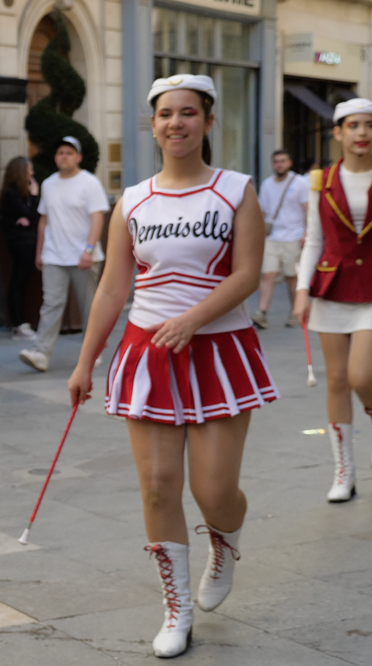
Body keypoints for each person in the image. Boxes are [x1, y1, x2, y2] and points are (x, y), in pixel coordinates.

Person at [69, 75, 276, 658]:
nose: (176, 123)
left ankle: (225, 540)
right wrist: (85, 363)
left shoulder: (236, 191)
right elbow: (113, 288)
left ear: (208, 122)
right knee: (159, 488)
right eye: (165, 113)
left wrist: (193, 319)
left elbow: (247, 273)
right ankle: (177, 608)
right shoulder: (133, 200)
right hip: (148, 353)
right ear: (153, 125)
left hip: (220, 351)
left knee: (214, 491)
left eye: (188, 113)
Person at [293, 98, 372, 503]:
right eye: (353, 125)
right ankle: (345, 471)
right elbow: (314, 239)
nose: (363, 132)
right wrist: (301, 289)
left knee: (362, 376)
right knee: (338, 380)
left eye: (369, 125)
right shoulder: (320, 181)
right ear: (338, 133)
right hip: (332, 287)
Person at [20, 136, 111, 372]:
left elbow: (97, 219)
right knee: (51, 303)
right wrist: (40, 252)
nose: (64, 157)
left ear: (78, 157)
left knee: (89, 306)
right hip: (54, 255)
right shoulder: (49, 184)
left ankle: (93, 351)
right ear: (55, 157)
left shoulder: (89, 183)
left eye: (69, 153)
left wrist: (89, 250)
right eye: (60, 153)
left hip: (83, 256)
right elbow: (44, 220)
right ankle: (41, 353)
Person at [254, 149, 309, 329]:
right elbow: (262, 212)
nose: (279, 165)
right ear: (272, 164)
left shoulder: (300, 183)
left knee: (291, 277)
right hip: (272, 237)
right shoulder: (267, 184)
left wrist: (306, 234)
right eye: (276, 161)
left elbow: (307, 210)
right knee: (267, 274)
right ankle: (261, 313)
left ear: (289, 163)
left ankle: (294, 311)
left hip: (293, 237)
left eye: (283, 161)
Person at [0, 156, 41, 340]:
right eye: (29, 170)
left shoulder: (18, 194)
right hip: (21, 243)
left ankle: (19, 324)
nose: (32, 173)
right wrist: (35, 196)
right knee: (18, 282)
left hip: (24, 242)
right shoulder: (11, 195)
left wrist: (29, 217)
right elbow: (33, 216)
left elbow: (30, 218)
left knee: (20, 282)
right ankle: (18, 325)